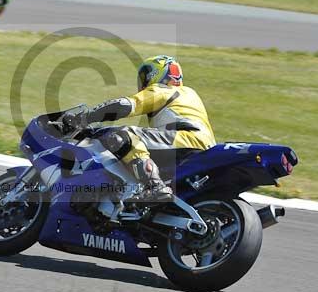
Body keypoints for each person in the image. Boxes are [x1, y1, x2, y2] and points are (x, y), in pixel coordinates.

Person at [64, 55, 216, 205]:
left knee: (124, 135)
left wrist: (86, 117)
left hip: (186, 138)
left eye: (145, 75)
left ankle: (155, 186)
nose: (143, 80)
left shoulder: (163, 90)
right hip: (203, 145)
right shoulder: (189, 94)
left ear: (156, 73)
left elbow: (125, 105)